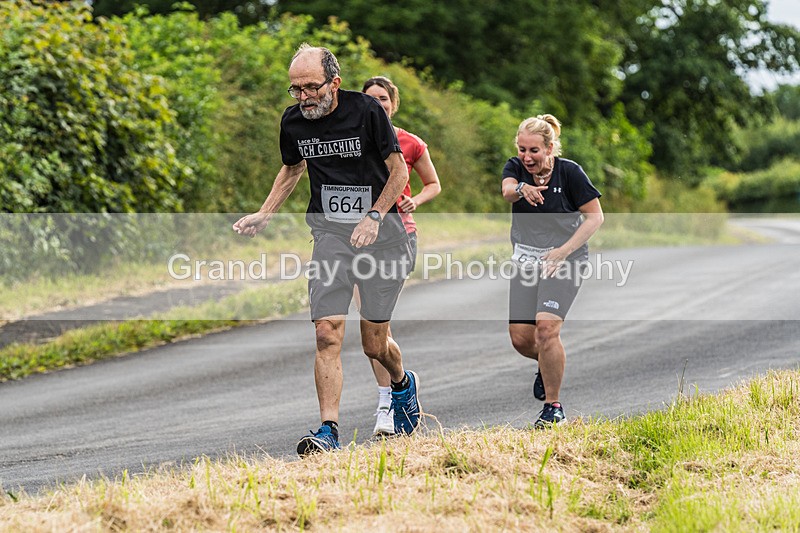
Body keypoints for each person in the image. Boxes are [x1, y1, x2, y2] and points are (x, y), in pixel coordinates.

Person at [233, 44, 422, 455]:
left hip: (384, 239)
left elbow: (398, 171)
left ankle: (402, 382)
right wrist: (265, 212)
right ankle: (328, 431)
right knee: (326, 332)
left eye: (311, 88)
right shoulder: (293, 121)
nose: (304, 97)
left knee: (374, 344)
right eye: (296, 89)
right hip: (331, 235)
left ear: (334, 83)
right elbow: (292, 167)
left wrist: (374, 216)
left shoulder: (366, 112)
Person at [500, 114, 603, 428]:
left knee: (546, 329)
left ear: (549, 148)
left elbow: (595, 217)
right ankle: (546, 363)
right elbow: (507, 191)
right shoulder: (515, 168)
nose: (527, 157)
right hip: (527, 261)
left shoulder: (570, 173)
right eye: (522, 149)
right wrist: (522, 188)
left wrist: (563, 251)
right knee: (521, 338)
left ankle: (553, 408)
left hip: (564, 260)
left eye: (534, 150)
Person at [361, 76, 441, 436]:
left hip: (397, 236)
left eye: (383, 98)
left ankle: (391, 400)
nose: (377, 104)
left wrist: (416, 200)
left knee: (378, 326)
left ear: (393, 104)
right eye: (370, 99)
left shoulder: (410, 142)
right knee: (373, 330)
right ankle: (391, 396)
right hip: (357, 239)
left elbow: (433, 184)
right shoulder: (352, 141)